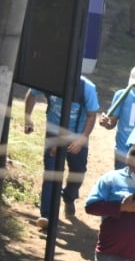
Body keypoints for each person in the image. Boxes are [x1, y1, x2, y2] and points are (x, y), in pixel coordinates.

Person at [23, 76, 99, 229]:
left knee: (78, 172)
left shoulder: (87, 88)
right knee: (51, 173)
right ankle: (46, 215)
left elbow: (92, 115)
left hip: (77, 136)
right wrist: (27, 118)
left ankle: (69, 196)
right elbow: (32, 94)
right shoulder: (50, 77)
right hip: (54, 134)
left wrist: (82, 139)